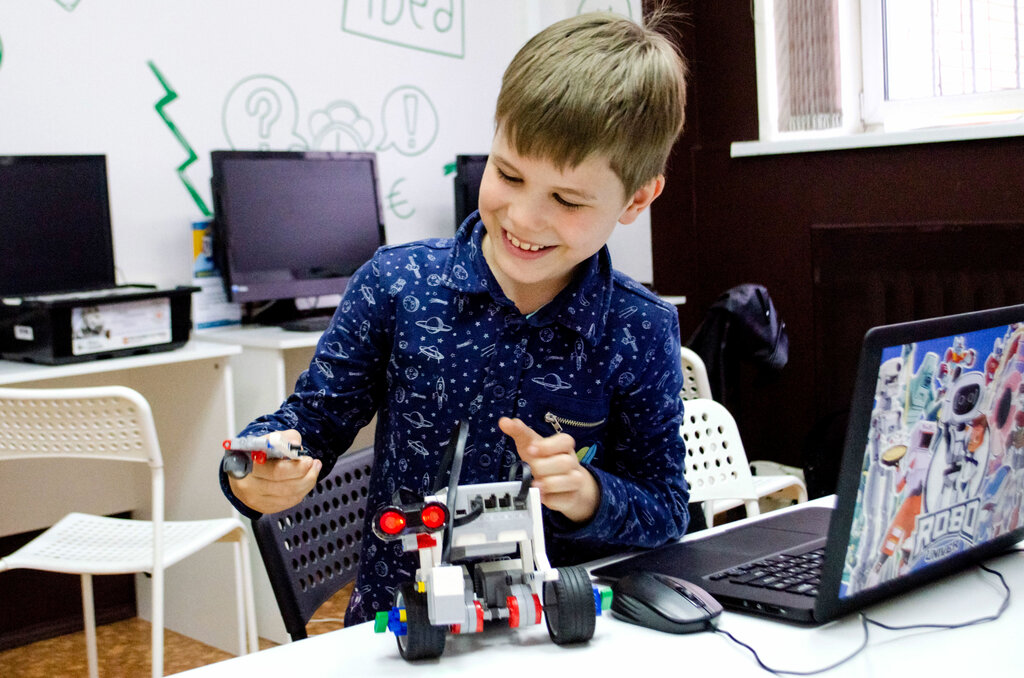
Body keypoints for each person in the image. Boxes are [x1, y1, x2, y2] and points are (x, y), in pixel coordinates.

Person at [221, 9, 691, 625]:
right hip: (403, 625)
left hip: (555, 631)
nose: (523, 218)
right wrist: (253, 473)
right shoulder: (397, 285)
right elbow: (308, 424)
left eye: (566, 199)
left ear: (638, 197)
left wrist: (588, 494)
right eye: (508, 174)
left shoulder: (639, 328)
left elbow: (666, 507)